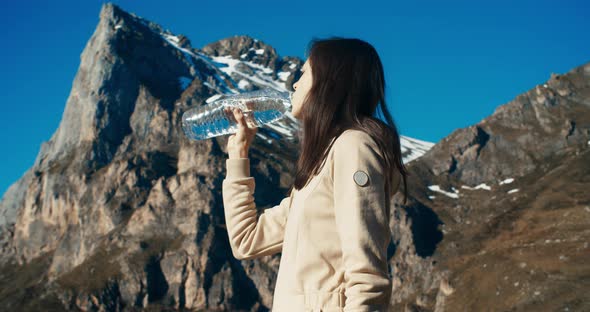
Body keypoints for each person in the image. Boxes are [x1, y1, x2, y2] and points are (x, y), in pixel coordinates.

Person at [222, 37, 408, 312]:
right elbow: (246, 241)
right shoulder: (317, 171)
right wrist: (239, 155)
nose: (294, 84)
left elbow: (367, 278)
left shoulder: (354, 147)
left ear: (330, 82)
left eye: (304, 73)